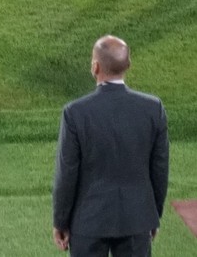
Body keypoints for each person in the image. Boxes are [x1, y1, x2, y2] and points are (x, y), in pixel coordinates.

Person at [52, 35, 169, 256]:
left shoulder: (75, 113)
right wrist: (153, 215)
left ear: (95, 67)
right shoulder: (153, 109)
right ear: (128, 65)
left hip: (88, 222)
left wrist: (60, 221)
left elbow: (66, 175)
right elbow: (160, 170)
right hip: (137, 220)